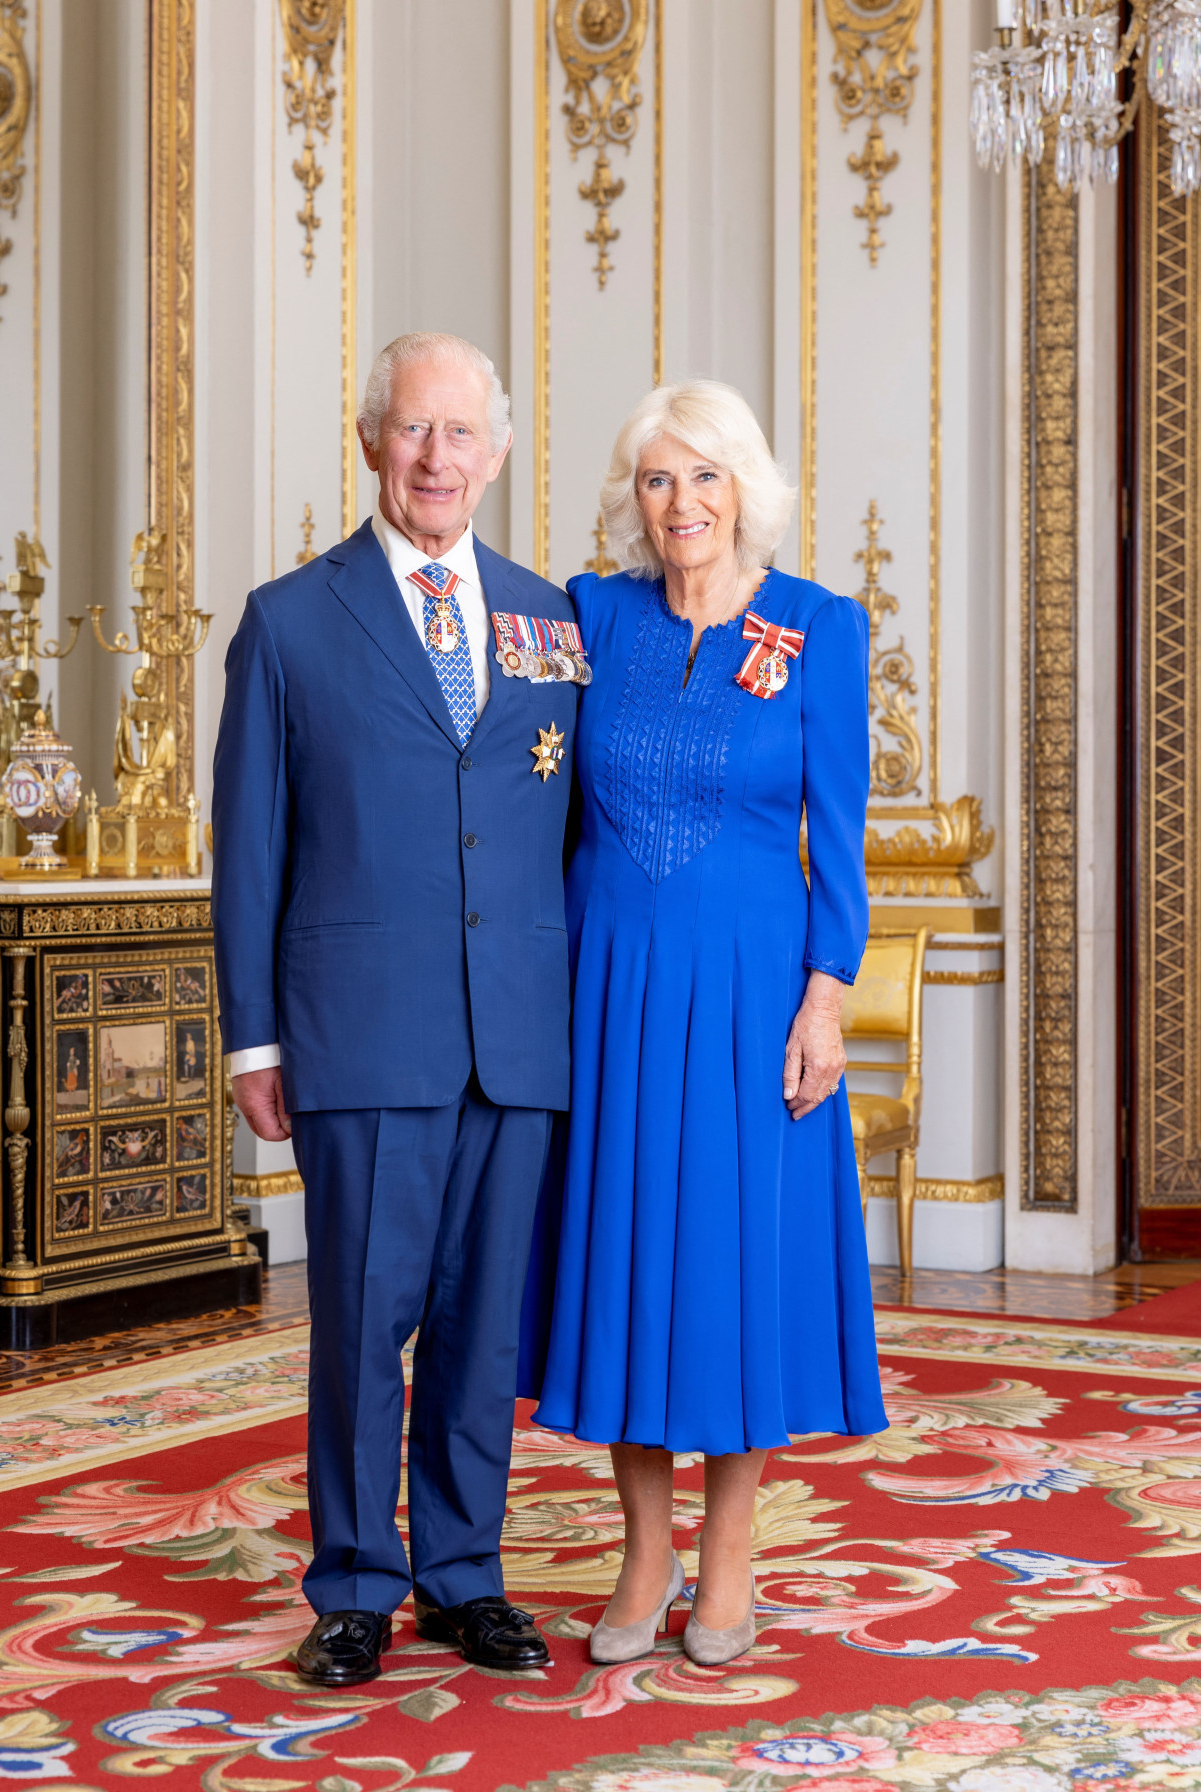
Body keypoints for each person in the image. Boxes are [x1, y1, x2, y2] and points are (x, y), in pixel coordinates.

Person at [213, 332, 587, 1688]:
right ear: (372, 443)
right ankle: (357, 1587)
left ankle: (465, 1574)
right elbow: (250, 845)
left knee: (486, 1324)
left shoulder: (555, 618)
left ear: (496, 452)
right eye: (412, 430)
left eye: (461, 434)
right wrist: (256, 1036)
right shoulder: (293, 618)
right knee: (363, 1319)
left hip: (517, 1037)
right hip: (360, 1030)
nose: (437, 457)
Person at [528, 379, 888, 1668]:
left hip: (751, 990)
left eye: (705, 476)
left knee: (731, 1268)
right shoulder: (590, 615)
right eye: (658, 479)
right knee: (623, 1256)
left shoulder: (818, 627)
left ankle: (731, 1560)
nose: (680, 503)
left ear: (747, 489)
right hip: (609, 985)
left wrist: (825, 1000)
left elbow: (838, 841)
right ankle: (645, 1550)